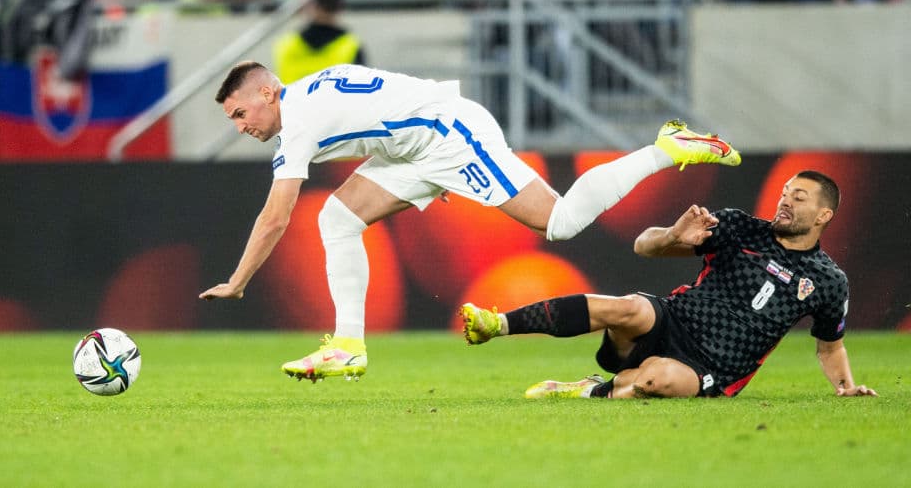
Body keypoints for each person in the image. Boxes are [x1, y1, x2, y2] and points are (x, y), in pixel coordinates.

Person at [199, 60, 741, 382]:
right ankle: (348, 345)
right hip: (418, 146)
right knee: (339, 217)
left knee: (559, 223)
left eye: (241, 113)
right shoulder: (312, 90)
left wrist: (239, 281)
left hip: (450, 138)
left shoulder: (298, 123)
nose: (241, 125)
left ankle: (667, 149)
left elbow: (276, 216)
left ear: (268, 92)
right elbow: (389, 94)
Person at [460, 171, 878, 400]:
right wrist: (676, 234)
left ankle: (592, 389)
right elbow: (645, 246)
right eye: (785, 192)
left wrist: (846, 388)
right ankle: (496, 325)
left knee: (652, 382)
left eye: (799, 197)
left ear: (823, 216)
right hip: (673, 321)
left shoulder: (827, 280)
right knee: (628, 307)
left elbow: (831, 345)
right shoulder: (738, 226)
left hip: (714, 367)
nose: (785, 200)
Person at [273, 0, 365, 83]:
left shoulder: (286, 44)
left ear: (312, 6)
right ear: (339, 8)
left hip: (291, 98)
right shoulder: (351, 45)